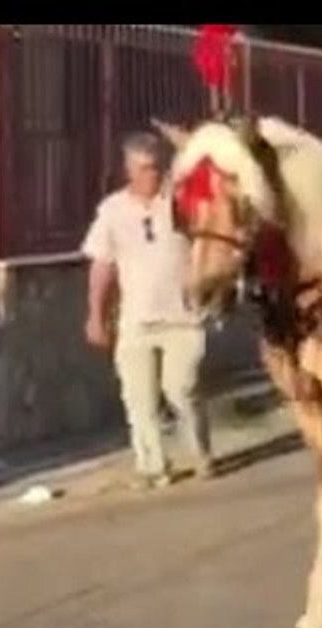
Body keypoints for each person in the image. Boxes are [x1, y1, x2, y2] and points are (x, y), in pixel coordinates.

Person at [82, 132, 213, 490]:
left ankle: (200, 452)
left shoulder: (182, 200)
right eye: (142, 169)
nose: (150, 176)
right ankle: (153, 466)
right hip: (136, 320)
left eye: (155, 168)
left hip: (183, 318)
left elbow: (213, 201)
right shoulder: (113, 211)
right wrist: (95, 314)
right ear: (128, 170)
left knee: (181, 388)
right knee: (138, 399)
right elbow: (102, 266)